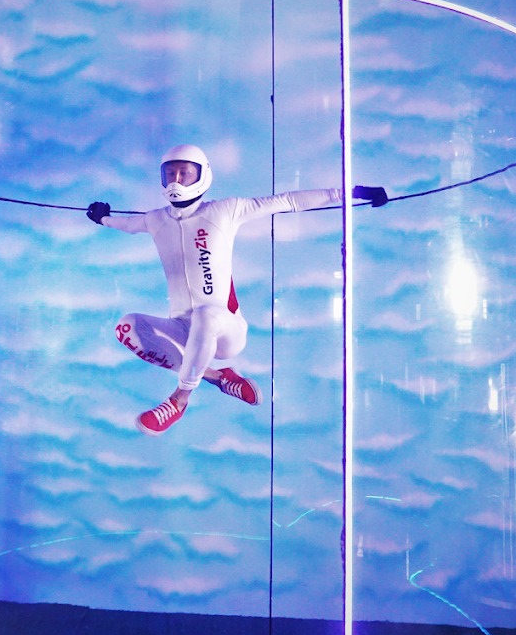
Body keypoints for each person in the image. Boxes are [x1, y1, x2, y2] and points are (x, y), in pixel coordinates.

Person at [87, 144, 388, 435]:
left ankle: (178, 401)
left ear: (202, 175)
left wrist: (353, 193)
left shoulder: (225, 210)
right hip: (184, 330)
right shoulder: (156, 220)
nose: (177, 181)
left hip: (227, 331)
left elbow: (288, 201)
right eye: (171, 174)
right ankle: (218, 377)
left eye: (185, 173)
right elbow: (128, 223)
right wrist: (103, 217)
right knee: (127, 326)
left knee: (207, 315)